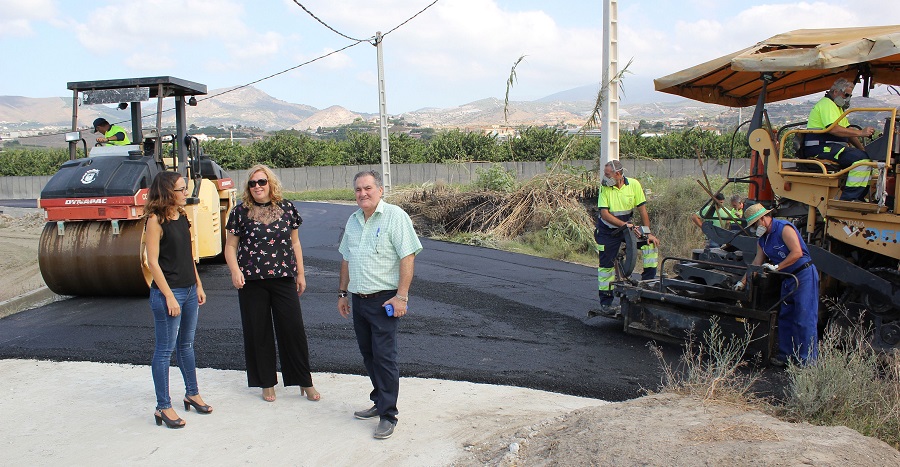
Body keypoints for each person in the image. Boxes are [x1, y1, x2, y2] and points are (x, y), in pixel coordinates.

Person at [337, 170, 423, 440]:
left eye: (368, 188)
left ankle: (388, 415)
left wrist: (402, 296)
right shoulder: (352, 221)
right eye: (358, 190)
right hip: (358, 301)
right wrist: (342, 293)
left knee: (385, 358)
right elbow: (346, 259)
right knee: (369, 355)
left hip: (384, 299)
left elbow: (407, 257)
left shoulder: (395, 217)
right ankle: (379, 401)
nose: (362, 193)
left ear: (380, 190)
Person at [224, 164, 319, 403]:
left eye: (262, 182)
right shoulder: (239, 212)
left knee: (293, 330)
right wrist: (235, 271)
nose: (257, 187)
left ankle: (304, 381)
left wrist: (301, 274)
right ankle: (266, 382)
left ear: (270, 184)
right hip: (251, 281)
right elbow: (230, 246)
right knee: (258, 332)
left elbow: (295, 243)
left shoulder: (287, 208)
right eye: (253, 183)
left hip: (283, 278)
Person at [145, 171, 211, 429]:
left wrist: (199, 284)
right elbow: (152, 262)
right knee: (164, 351)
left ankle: (192, 393)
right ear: (167, 192)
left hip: (190, 291)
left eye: (185, 188)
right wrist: (169, 296)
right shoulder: (154, 220)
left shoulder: (183, 216)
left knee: (187, 346)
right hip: (168, 295)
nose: (186, 193)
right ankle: (163, 407)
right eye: (181, 189)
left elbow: (188, 255)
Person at [733, 204, 819, 366]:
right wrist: (742, 282)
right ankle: (785, 356)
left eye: (755, 224)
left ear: (764, 219)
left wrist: (777, 266)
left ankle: (807, 361)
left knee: (804, 317)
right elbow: (757, 261)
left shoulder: (784, 229)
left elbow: (797, 253)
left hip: (803, 274)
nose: (754, 229)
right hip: (786, 278)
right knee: (785, 316)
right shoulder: (763, 240)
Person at [592, 160, 660, 317]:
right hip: (607, 231)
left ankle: (647, 284)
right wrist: (624, 225)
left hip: (626, 228)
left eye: (607, 174)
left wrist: (647, 232)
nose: (604, 176)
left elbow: (642, 210)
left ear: (618, 174)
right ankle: (606, 303)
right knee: (606, 267)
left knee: (650, 245)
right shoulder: (605, 187)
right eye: (604, 173)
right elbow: (605, 214)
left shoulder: (634, 185)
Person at [804, 78, 876, 201]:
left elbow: (848, 132)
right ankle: (849, 199)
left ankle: (859, 196)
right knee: (861, 160)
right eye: (846, 95)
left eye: (849, 96)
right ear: (836, 92)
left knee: (865, 157)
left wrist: (862, 149)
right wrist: (861, 132)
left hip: (831, 147)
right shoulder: (827, 104)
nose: (847, 98)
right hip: (820, 148)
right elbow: (834, 129)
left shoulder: (837, 108)